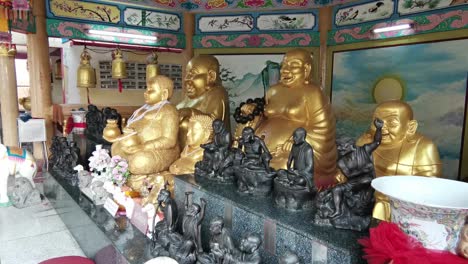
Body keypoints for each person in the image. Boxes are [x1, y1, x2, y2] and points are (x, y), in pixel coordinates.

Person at [243, 49, 338, 189]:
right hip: (261, 148)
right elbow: (263, 116)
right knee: (240, 158)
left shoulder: (312, 92)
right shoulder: (273, 90)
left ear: (306, 69)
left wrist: (297, 142)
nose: (285, 70)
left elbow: (323, 127)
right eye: (284, 65)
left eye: (293, 65)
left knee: (283, 168)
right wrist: (252, 111)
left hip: (293, 151)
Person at [356, 100, 442, 221]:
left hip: (401, 206)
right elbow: (351, 166)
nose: (382, 127)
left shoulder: (423, 146)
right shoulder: (366, 141)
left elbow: (430, 183)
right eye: (378, 122)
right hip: (364, 199)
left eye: (391, 122)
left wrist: (393, 194)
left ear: (410, 127)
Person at [108, 75, 180, 190]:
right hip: (136, 146)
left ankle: (141, 179)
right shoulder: (144, 108)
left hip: (159, 150)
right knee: (115, 148)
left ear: (164, 94)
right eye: (146, 89)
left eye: (151, 90)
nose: (146, 92)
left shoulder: (169, 110)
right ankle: (127, 174)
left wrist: (143, 147)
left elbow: (169, 140)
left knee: (140, 161)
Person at [177, 55, 230, 149]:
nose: (186, 79)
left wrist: (190, 112)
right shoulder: (190, 97)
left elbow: (213, 124)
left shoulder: (217, 93)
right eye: (187, 73)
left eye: (192, 73)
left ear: (211, 76)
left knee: (185, 124)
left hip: (208, 150)